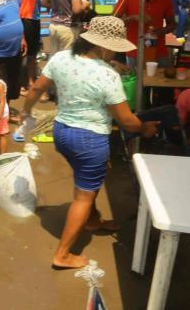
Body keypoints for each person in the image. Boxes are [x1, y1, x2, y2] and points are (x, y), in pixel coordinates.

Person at [21, 16, 159, 269]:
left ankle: (93, 220)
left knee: (87, 182)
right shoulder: (107, 76)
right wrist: (145, 128)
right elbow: (127, 121)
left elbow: (36, 89)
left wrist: (25, 111)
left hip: (62, 132)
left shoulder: (62, 58)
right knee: (83, 196)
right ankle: (62, 254)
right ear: (104, 46)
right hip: (89, 139)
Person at [114, 0, 175, 68]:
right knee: (136, 83)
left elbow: (172, 24)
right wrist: (133, 17)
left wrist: (162, 31)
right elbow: (112, 22)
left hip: (159, 53)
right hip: (134, 52)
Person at [19, 0, 54, 91]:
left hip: (35, 17)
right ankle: (22, 82)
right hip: (27, 18)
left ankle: (30, 81)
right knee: (25, 52)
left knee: (33, 53)